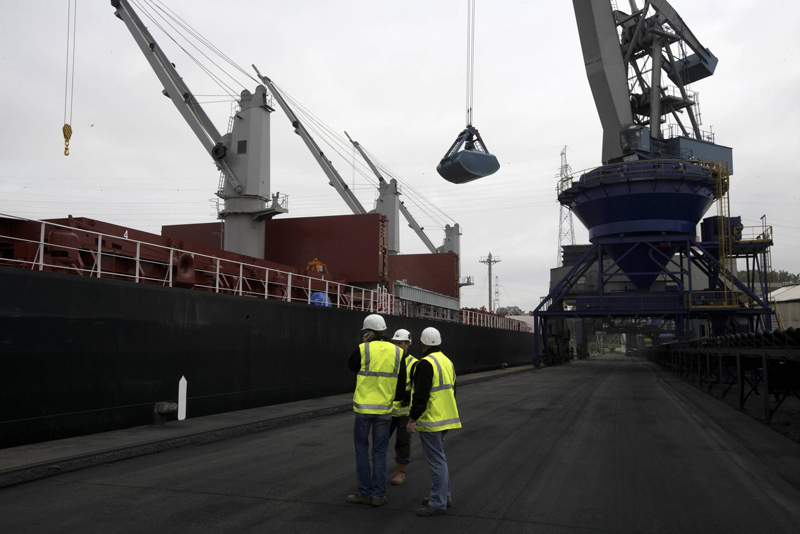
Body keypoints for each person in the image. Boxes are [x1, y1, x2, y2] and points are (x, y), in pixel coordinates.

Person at [346, 313, 403, 507]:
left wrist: (362, 344)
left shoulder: (364, 348)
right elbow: (401, 384)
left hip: (363, 410)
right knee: (379, 452)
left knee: (361, 451)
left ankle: (363, 493)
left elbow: (352, 366)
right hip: (385, 410)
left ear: (368, 332)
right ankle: (378, 496)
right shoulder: (397, 352)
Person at [406, 327, 461, 517]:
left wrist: (413, 419)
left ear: (422, 344)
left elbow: (420, 394)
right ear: (438, 342)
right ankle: (443, 496)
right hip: (446, 417)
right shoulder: (447, 361)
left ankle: (438, 503)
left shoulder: (425, 363)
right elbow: (453, 390)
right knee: (440, 459)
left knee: (437, 461)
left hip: (432, 420)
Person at [387, 328, 418, 486]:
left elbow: (418, 388)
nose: (397, 346)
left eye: (400, 343)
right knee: (381, 441)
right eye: (395, 343)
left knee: (402, 442)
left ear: (408, 344)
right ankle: (377, 470)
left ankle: (401, 472)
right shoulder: (389, 359)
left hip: (405, 411)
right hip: (388, 410)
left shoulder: (414, 364)